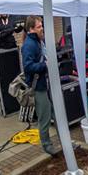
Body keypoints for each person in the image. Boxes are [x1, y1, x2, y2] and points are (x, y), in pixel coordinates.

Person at [21, 15, 56, 155]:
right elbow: (28, 67)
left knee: (56, 113)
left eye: (42, 25)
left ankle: (63, 140)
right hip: (39, 87)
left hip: (46, 84)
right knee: (45, 117)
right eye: (39, 27)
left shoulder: (38, 42)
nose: (42, 28)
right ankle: (47, 145)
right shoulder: (29, 45)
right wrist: (44, 65)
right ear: (31, 29)